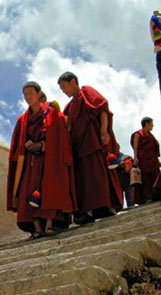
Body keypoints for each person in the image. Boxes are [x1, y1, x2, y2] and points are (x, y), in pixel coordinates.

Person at [7, 81, 75, 239]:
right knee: (28, 190)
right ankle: (36, 227)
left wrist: (43, 144)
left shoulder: (52, 113)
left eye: (30, 93)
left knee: (49, 189)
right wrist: (27, 145)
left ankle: (50, 224)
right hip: (29, 162)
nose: (28, 97)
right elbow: (17, 144)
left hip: (48, 160)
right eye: (25, 95)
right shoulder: (22, 120)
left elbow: (60, 137)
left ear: (39, 94)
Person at [57, 71, 123, 224]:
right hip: (78, 147)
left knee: (98, 175)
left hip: (92, 142)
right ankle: (89, 211)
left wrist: (104, 130)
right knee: (84, 179)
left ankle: (106, 207)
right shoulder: (69, 106)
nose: (64, 91)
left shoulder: (86, 92)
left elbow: (102, 108)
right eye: (62, 90)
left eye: (65, 87)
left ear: (74, 81)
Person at [131, 117, 161, 204]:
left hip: (153, 161)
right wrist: (136, 157)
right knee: (145, 179)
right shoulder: (138, 135)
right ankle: (146, 198)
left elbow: (154, 147)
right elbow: (135, 147)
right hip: (143, 160)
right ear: (147, 123)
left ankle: (156, 196)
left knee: (155, 177)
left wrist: (157, 159)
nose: (152, 125)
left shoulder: (151, 135)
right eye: (151, 123)